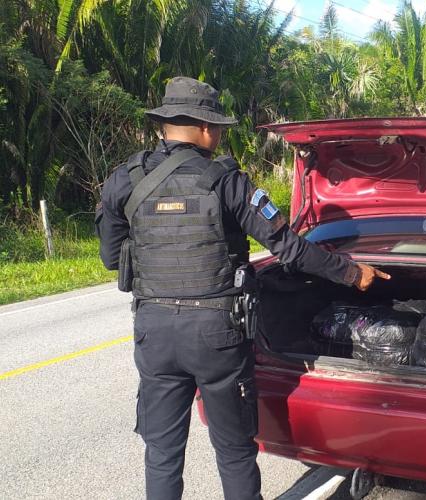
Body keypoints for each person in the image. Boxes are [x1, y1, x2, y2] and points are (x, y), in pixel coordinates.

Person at [96, 76, 390, 500]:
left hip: (153, 330)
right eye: (217, 127)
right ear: (204, 127)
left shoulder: (125, 179)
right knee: (233, 452)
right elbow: (287, 248)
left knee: (161, 453)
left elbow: (111, 258)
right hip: (215, 333)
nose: (217, 135)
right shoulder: (226, 181)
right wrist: (350, 273)